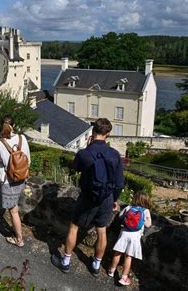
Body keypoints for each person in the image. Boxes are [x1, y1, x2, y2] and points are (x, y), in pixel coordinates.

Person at [51, 118, 124, 276]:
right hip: (106, 198)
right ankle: (96, 266)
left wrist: (88, 147)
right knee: (102, 231)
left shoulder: (85, 153)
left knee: (74, 226)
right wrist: (114, 200)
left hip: (88, 197)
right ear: (108, 134)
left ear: (93, 131)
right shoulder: (115, 155)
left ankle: (65, 262)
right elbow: (119, 184)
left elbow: (76, 167)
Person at [0, 115, 31, 247]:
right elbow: (28, 160)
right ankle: (18, 231)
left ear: (1, 126)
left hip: (8, 182)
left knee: (13, 211)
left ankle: (19, 239)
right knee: (15, 207)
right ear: (13, 126)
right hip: (22, 179)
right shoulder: (22, 138)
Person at [108, 191, 152, 286]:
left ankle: (111, 270)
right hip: (135, 236)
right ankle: (123, 277)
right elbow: (149, 224)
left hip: (124, 233)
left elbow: (120, 216)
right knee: (128, 256)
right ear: (146, 201)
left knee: (118, 252)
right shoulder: (145, 211)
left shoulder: (128, 207)